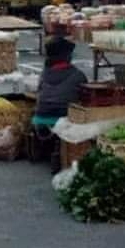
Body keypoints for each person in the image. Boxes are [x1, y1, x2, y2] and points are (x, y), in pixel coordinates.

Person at [31, 37, 88, 173]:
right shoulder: (78, 75)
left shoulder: (44, 74)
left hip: (40, 119)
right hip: (63, 121)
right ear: (67, 56)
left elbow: (39, 92)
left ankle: (46, 146)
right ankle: (61, 152)